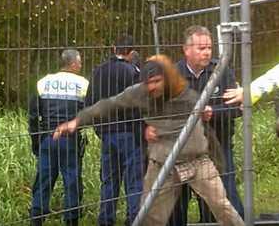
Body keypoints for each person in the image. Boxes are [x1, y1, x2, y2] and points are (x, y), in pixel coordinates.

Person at [53, 54, 245, 226]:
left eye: (156, 81)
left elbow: (206, 129)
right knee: (150, 215)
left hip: (195, 160)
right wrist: (77, 121)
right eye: (148, 82)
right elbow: (108, 105)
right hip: (162, 164)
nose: (152, 87)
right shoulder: (140, 92)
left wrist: (216, 157)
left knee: (222, 206)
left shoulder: (184, 94)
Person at [165, 25, 244, 225]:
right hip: (182, 150)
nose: (207, 52)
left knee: (222, 200)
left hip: (218, 146)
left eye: (209, 47)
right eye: (201, 48)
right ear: (186, 50)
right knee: (176, 204)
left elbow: (236, 109)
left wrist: (212, 113)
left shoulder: (222, 71)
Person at [85, 35, 145, 226]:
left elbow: (90, 102)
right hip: (130, 133)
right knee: (133, 182)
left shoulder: (98, 71)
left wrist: (99, 128)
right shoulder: (134, 72)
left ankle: (106, 219)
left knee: (109, 180)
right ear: (131, 51)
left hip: (107, 133)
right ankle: (133, 219)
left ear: (113, 48)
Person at [28, 50, 89, 226]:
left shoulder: (43, 82)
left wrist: (36, 142)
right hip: (70, 139)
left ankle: (36, 218)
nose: (81, 65)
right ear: (73, 64)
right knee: (72, 180)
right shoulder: (83, 84)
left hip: (47, 138)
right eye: (80, 62)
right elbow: (88, 112)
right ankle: (71, 219)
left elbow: (33, 116)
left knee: (44, 180)